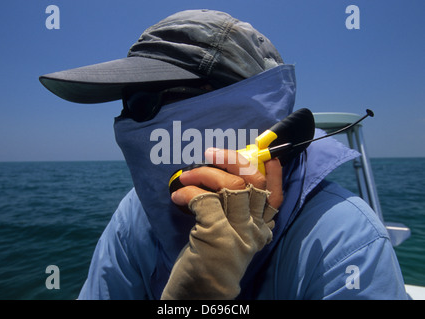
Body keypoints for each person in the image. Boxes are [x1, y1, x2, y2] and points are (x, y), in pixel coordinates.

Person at [39, 9, 408, 299]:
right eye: (127, 105)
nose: (129, 123)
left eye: (143, 102)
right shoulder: (134, 218)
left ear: (241, 109)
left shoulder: (344, 241)